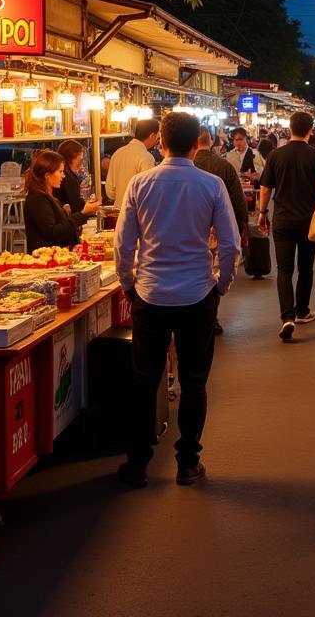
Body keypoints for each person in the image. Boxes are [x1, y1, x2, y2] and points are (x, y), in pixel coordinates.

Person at [114, 112, 239, 488]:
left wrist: (128, 284)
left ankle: (137, 463)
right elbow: (230, 244)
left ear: (162, 143)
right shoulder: (212, 184)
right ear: (197, 142)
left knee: (144, 380)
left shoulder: (140, 184)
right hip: (197, 295)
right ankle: (188, 462)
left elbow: (123, 245)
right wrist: (221, 285)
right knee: (194, 381)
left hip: (150, 295)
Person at [258, 111, 315, 341]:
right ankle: (302, 311)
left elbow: (266, 189)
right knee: (306, 268)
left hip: (283, 220)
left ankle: (286, 317)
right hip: (309, 221)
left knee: (284, 270)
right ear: (311, 130)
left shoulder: (276, 155)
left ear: (289, 127)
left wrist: (261, 213)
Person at [194, 129, 250, 335]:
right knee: (213, 272)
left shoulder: (186, 166)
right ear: (211, 142)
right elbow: (238, 199)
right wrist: (242, 224)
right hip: (216, 230)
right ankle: (211, 316)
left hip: (191, 229)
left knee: (194, 269)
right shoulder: (223, 166)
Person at [24, 150, 91, 252]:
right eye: (60, 172)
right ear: (47, 175)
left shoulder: (48, 196)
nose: (63, 176)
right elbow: (53, 233)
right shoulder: (37, 199)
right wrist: (82, 214)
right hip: (45, 260)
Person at [107, 119, 160, 208]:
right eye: (157, 137)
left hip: (118, 213)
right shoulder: (146, 157)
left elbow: (110, 192)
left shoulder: (118, 153)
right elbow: (148, 192)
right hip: (137, 214)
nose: (157, 141)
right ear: (151, 135)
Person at [55, 140, 101, 222]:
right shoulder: (67, 176)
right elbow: (75, 204)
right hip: (68, 221)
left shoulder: (69, 173)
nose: (82, 157)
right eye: (80, 153)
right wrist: (89, 206)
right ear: (73, 155)